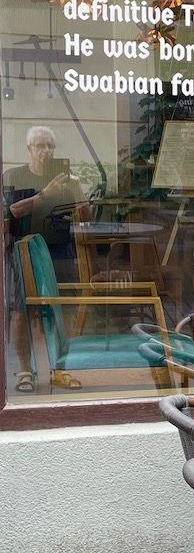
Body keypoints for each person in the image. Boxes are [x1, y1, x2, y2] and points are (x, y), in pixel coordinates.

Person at [3, 126, 91, 391]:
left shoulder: (64, 179)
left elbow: (86, 218)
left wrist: (77, 191)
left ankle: (60, 368)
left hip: (60, 250)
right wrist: (45, 194)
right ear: (29, 149)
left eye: (51, 146)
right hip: (24, 250)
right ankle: (24, 370)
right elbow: (12, 211)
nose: (47, 151)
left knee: (64, 309)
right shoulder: (15, 176)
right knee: (21, 310)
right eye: (41, 146)